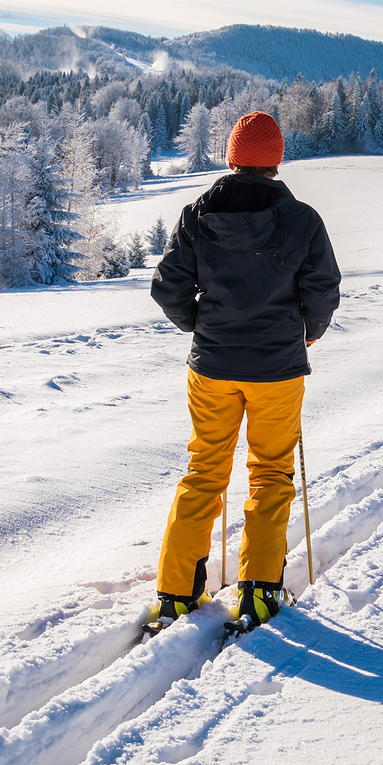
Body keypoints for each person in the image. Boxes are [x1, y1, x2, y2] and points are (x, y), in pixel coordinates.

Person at [145, 111, 341, 635]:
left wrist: (203, 326)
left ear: (232, 157)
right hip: (277, 370)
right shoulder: (302, 220)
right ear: (276, 161)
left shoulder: (196, 215)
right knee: (271, 474)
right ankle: (258, 593)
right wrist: (308, 333)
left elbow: (168, 288)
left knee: (203, 472)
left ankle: (176, 594)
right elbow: (323, 290)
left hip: (212, 368)